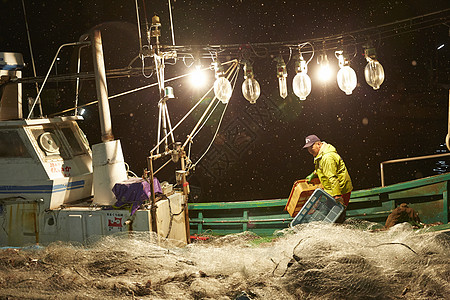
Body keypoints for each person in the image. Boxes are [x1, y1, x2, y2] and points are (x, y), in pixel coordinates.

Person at [303, 134, 353, 223]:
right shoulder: (320, 155)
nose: (310, 150)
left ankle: (340, 229)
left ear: (318, 144)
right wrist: (314, 173)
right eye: (308, 148)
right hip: (332, 189)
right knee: (333, 213)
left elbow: (332, 177)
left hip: (340, 189)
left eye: (311, 147)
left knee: (337, 215)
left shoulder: (327, 157)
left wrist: (337, 196)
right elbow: (322, 168)